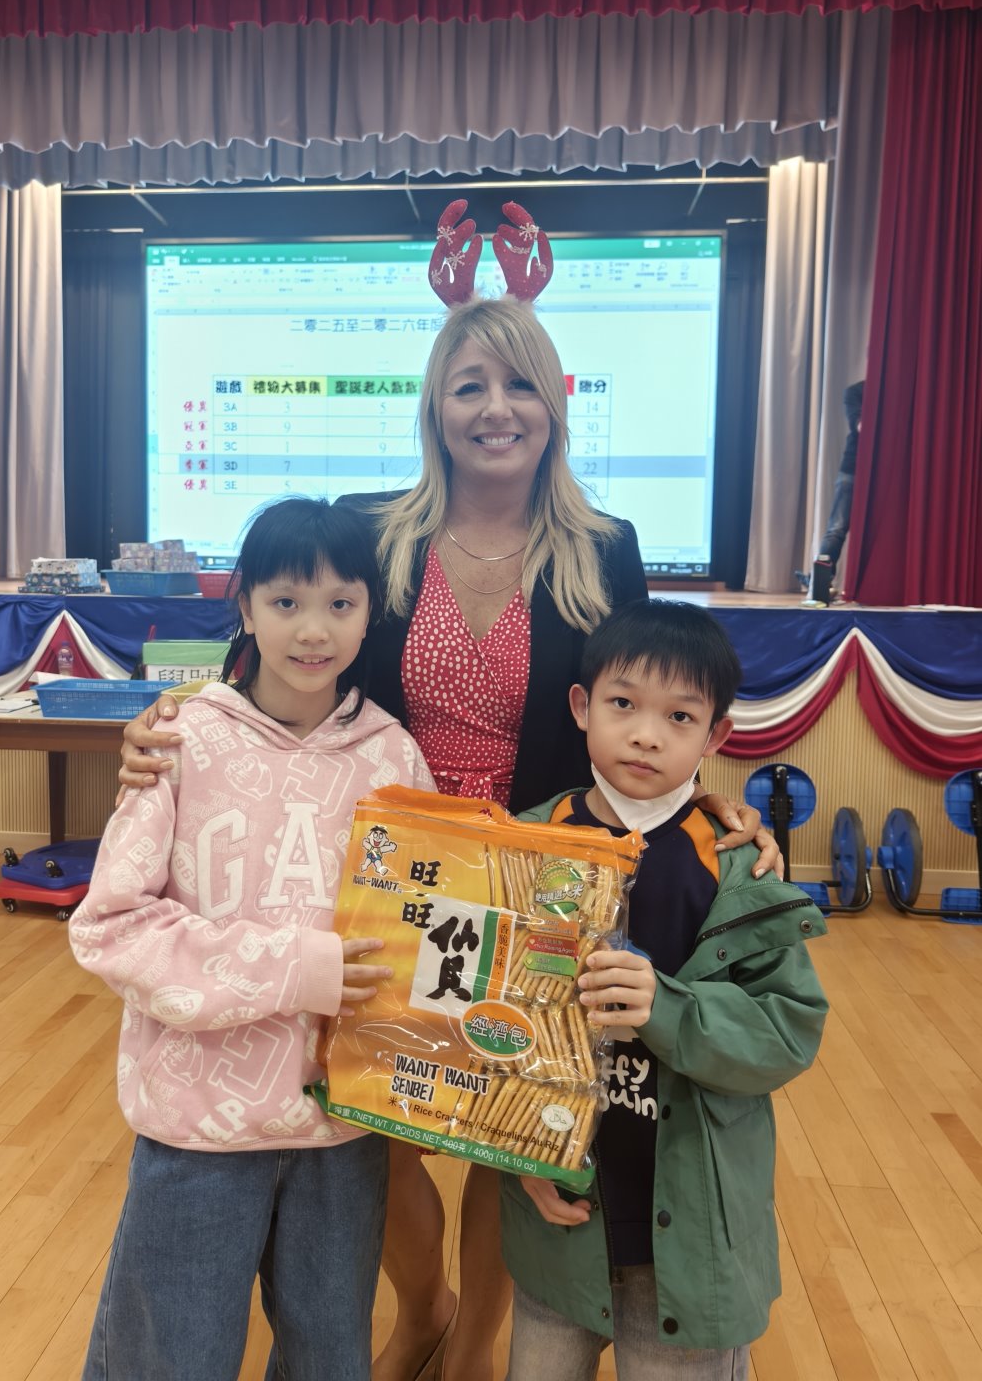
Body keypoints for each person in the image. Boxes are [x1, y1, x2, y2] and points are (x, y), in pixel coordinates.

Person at [119, 290, 781, 1381]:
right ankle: (424, 1305)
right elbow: (273, 661)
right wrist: (170, 721)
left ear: (554, 405)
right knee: (373, 1110)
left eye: (520, 384)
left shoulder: (602, 545)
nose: (495, 408)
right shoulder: (376, 527)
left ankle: (474, 1347)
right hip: (385, 865)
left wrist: (701, 794)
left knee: (506, 1110)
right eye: (470, 386)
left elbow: (646, 685)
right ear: (435, 407)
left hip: (539, 869)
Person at [68, 498, 434, 1381]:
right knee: (173, 1357)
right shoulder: (180, 741)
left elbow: (419, 934)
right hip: (197, 1127)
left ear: (370, 614)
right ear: (245, 608)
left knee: (328, 1356)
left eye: (340, 604)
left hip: (341, 1130)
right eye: (285, 602)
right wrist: (298, 969)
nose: (313, 630)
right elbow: (111, 925)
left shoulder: (395, 760)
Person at [502, 598, 828, 1381]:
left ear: (716, 735)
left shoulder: (740, 861)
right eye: (623, 704)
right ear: (582, 706)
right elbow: (483, 1023)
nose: (646, 734)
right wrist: (514, 1149)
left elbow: (788, 1029)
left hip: (689, 1232)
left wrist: (668, 1008)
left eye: (679, 716)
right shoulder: (523, 845)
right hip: (560, 1223)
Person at [809, 380, 863, 606]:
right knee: (837, 528)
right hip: (853, 468)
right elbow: (860, 426)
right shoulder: (856, 392)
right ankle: (820, 585)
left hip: (885, 471)